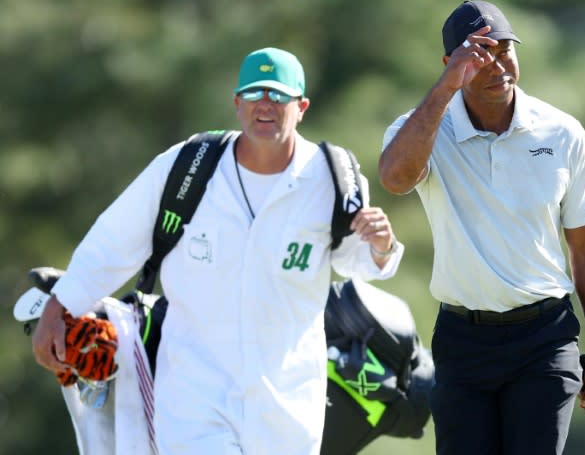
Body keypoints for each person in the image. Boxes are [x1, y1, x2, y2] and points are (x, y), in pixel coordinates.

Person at [32, 46, 405, 455]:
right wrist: (60, 306)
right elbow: (113, 241)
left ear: (302, 107)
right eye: (254, 94)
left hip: (287, 402)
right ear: (236, 103)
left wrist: (382, 248)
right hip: (195, 396)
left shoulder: (333, 178)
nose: (266, 105)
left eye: (279, 96)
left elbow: (358, 261)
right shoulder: (188, 167)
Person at [379, 0, 585, 454]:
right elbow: (395, 178)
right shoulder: (425, 129)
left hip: (544, 339)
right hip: (463, 343)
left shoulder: (562, 134)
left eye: (505, 50)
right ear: (450, 64)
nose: (498, 64)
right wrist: (447, 88)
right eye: (479, 54)